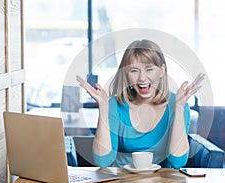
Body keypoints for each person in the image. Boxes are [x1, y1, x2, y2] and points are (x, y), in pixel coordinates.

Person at [76, 39, 205, 168]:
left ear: (162, 70)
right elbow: (103, 161)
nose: (142, 78)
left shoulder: (178, 104)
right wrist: (104, 108)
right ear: (126, 74)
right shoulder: (114, 105)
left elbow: (178, 162)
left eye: (149, 69)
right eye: (134, 71)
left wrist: (179, 108)